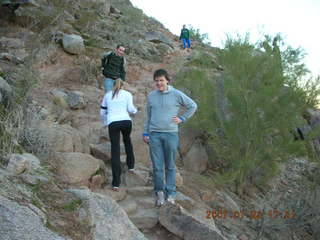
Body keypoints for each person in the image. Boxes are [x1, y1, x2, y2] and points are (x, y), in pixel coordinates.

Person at [143, 69, 197, 206]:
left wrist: (182, 118)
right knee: (157, 166)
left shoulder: (177, 94)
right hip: (154, 134)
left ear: (167, 80)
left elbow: (193, 106)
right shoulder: (151, 96)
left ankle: (171, 193)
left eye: (161, 80)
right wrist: (146, 132)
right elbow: (149, 116)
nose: (159, 83)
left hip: (171, 134)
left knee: (170, 166)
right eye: (156, 81)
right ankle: (159, 192)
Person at [100, 78, 137, 191]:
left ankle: (116, 183)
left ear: (112, 85)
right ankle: (130, 166)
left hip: (113, 123)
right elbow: (131, 109)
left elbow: (102, 112)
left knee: (115, 149)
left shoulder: (107, 95)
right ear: (123, 85)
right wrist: (136, 111)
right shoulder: (127, 94)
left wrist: (106, 122)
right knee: (127, 141)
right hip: (126, 121)